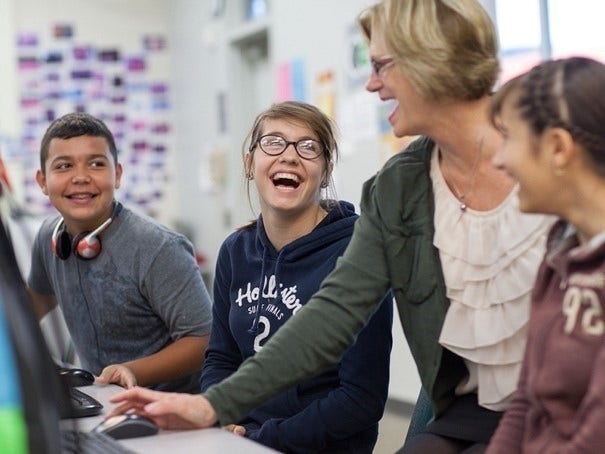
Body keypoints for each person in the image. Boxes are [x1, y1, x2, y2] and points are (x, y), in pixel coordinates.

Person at [109, 0, 554, 451]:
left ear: (429, 61)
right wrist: (210, 407)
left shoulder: (551, 148)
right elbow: (333, 314)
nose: (371, 83)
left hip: (570, 400)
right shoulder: (399, 187)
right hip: (474, 414)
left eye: (381, 64)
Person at [206, 101, 393, 452]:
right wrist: (221, 418)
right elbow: (220, 358)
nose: (290, 156)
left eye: (308, 147)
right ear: (249, 163)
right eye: (274, 142)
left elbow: (360, 398)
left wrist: (262, 441)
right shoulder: (235, 250)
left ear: (326, 172)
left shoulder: (359, 250)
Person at [27, 112, 213, 393]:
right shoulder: (48, 239)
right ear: (42, 181)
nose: (80, 177)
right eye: (64, 166)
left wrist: (130, 371)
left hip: (172, 408)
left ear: (118, 175)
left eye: (96, 164)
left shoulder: (159, 247)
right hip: (105, 401)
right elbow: (35, 301)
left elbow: (204, 341)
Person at [486, 56, 605, 453]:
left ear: (557, 147)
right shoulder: (561, 247)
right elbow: (526, 400)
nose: (499, 159)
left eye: (509, 138)